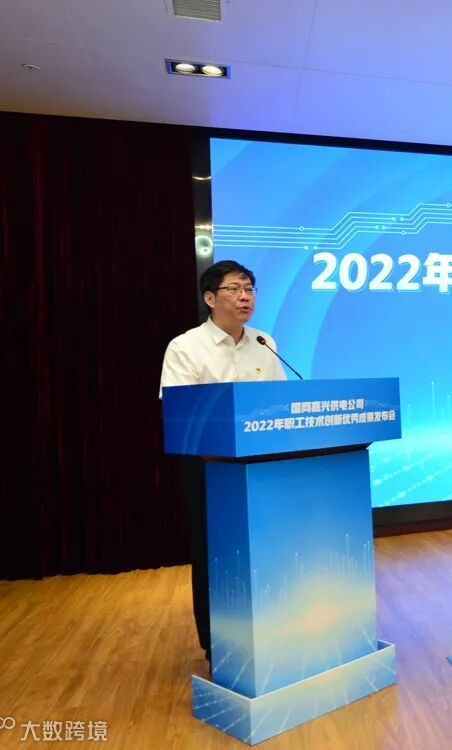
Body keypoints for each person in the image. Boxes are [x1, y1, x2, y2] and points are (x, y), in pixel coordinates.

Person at [160, 260, 286, 664]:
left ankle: (270, 630)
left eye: (249, 289)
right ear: (210, 298)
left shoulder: (264, 342)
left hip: (259, 463)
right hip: (208, 465)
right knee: (213, 552)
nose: (245, 297)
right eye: (234, 289)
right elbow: (179, 411)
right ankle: (218, 643)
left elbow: (280, 402)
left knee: (264, 546)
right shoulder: (185, 347)